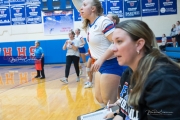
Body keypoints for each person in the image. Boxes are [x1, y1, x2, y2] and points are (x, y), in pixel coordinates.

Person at [104, 20, 180, 120]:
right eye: (113, 43)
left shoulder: (163, 80)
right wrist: (116, 114)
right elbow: (125, 110)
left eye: (119, 41)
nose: (113, 49)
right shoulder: (128, 73)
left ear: (139, 44)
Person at [77, 0, 125, 105]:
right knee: (99, 99)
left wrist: (101, 60)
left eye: (85, 5)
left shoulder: (103, 21)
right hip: (100, 64)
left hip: (112, 63)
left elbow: (117, 43)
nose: (81, 8)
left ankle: (120, 114)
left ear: (93, 9)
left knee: (109, 101)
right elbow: (79, 7)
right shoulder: (89, 24)